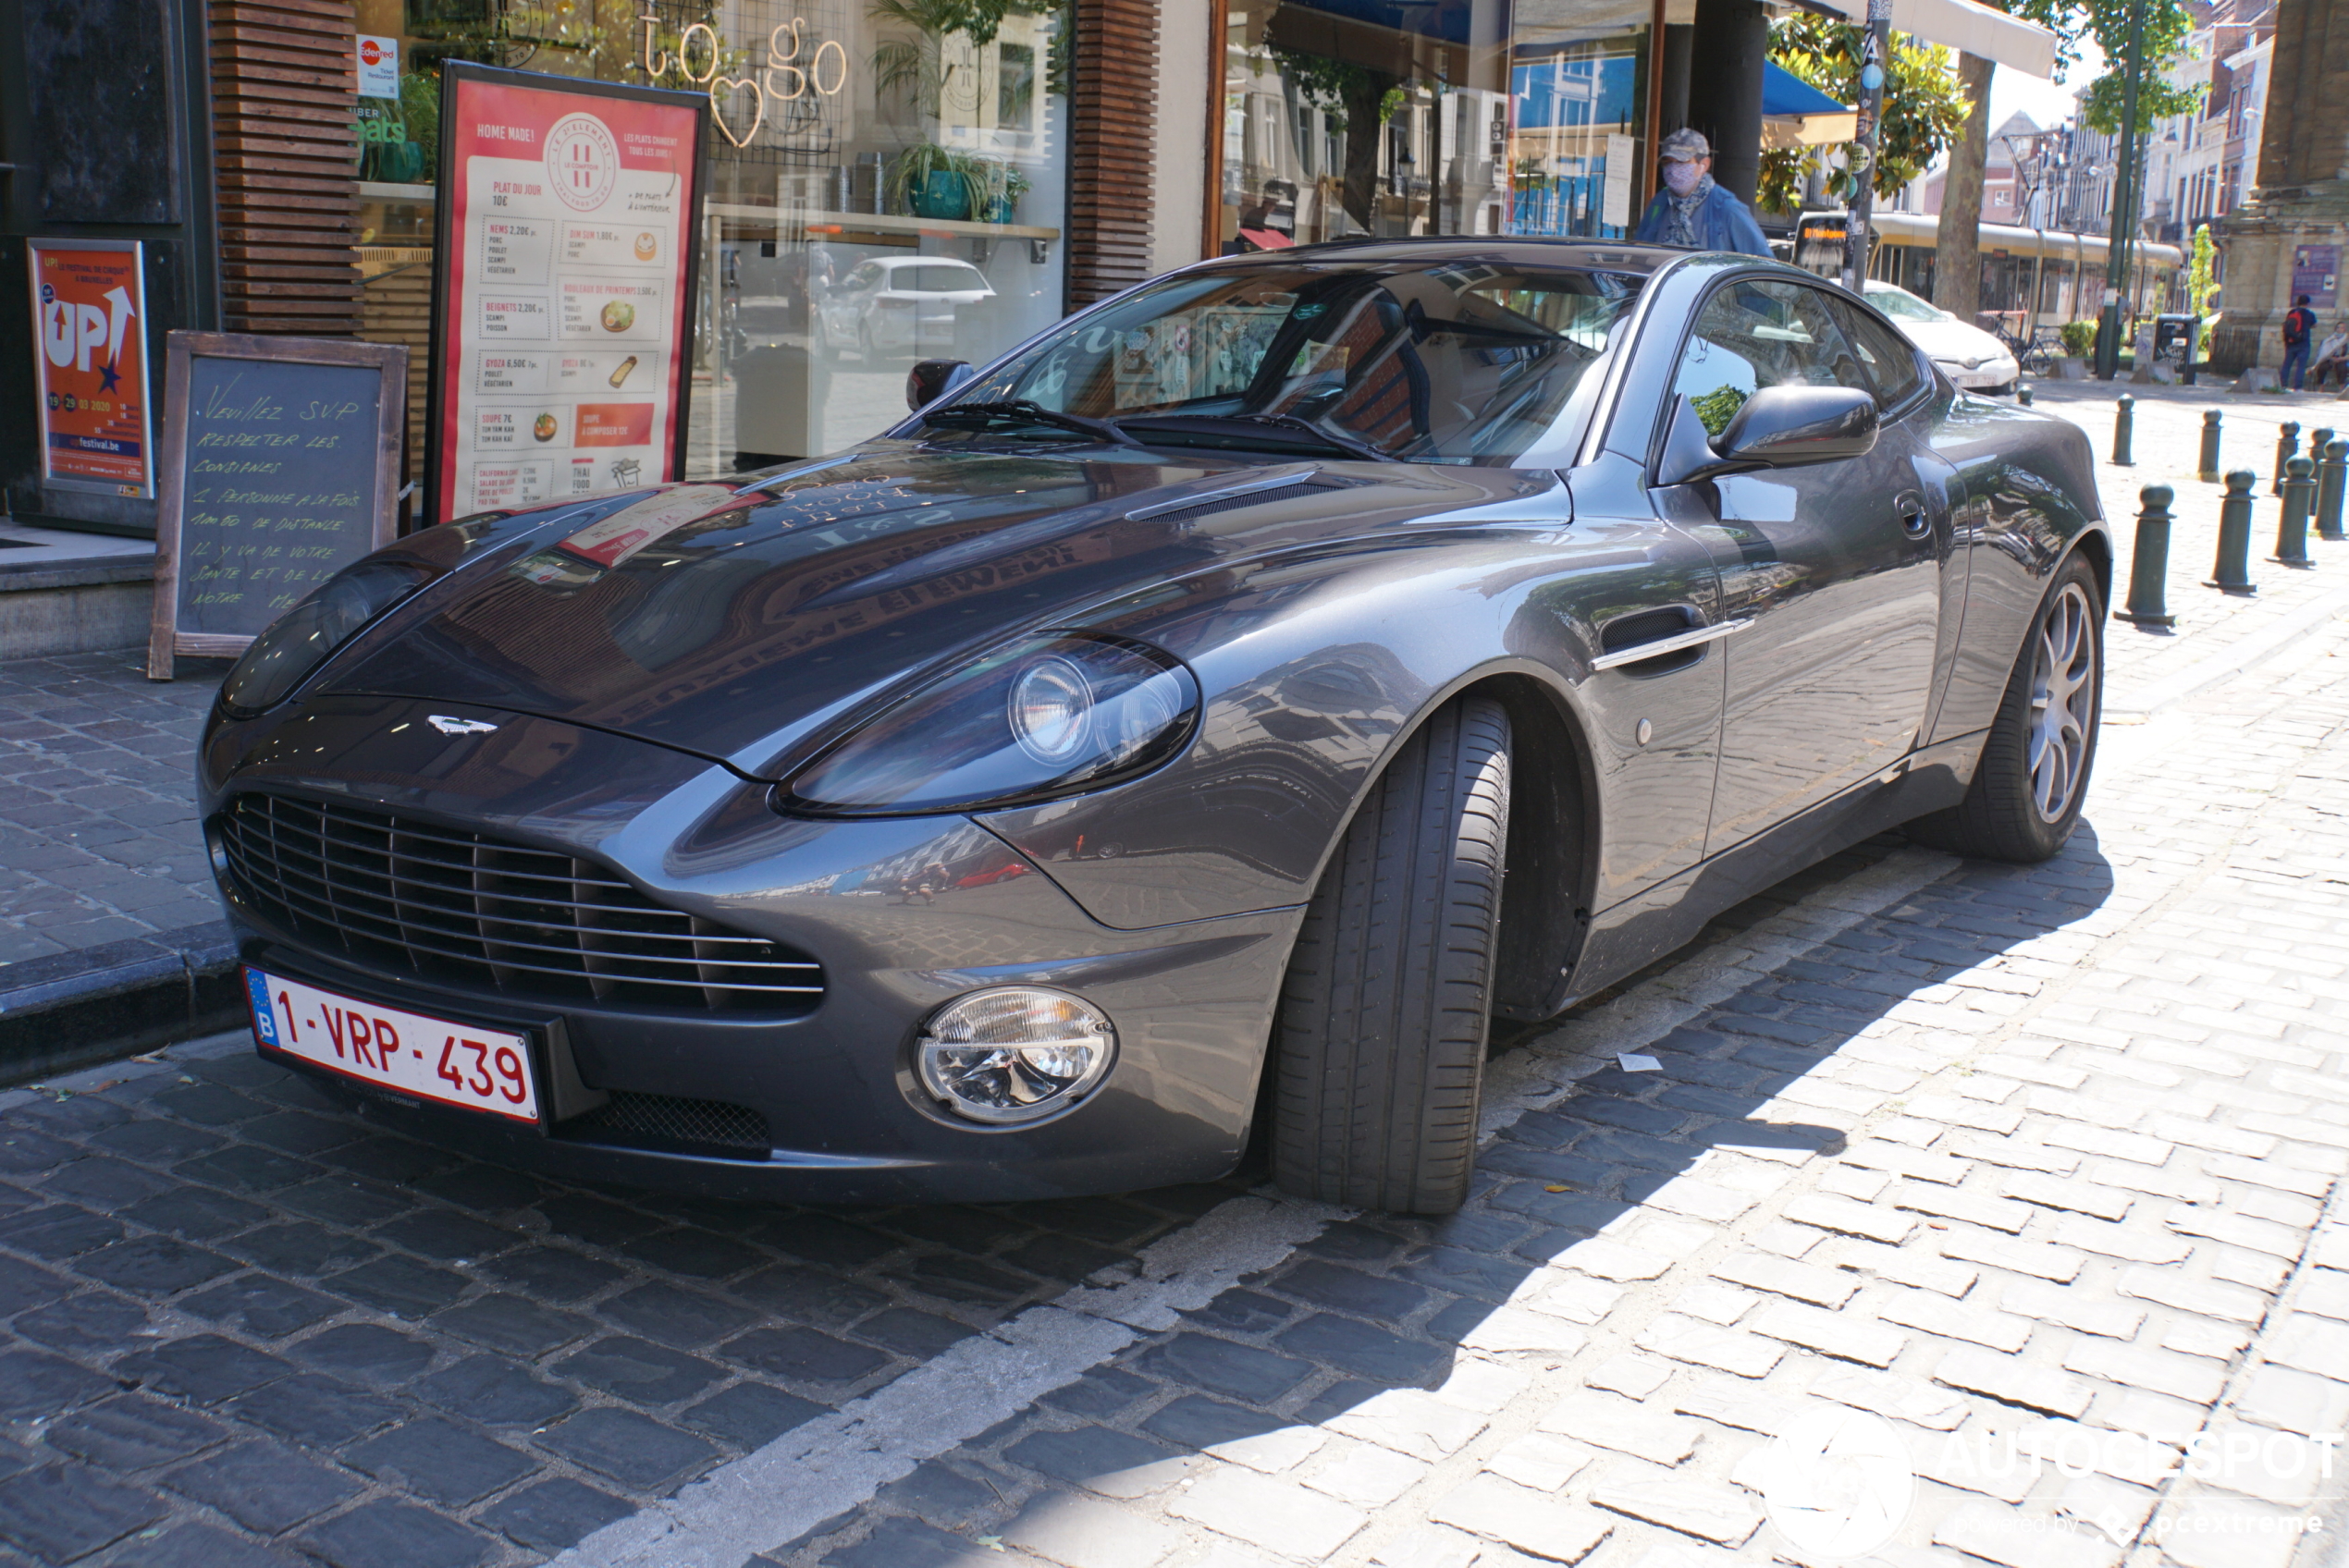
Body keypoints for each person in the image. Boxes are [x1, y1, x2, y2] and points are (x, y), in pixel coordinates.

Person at [1632, 129, 1771, 257]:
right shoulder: (1660, 202)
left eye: (1682, 162)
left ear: (1704, 164)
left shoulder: (1727, 208)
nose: (1673, 170)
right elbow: (1639, 253)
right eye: (1667, 163)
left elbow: (1763, 263)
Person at [2281, 293, 2318, 390]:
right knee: (2301, 366)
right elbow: (2314, 325)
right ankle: (2297, 387)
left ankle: (2283, 385)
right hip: (2303, 343)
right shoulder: (2309, 314)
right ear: (2307, 303)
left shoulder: (2291, 312)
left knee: (2287, 365)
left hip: (2291, 342)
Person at [2312, 321, 2349, 391]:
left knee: (2342, 368)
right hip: (2328, 358)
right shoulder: (2329, 339)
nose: (2340, 329)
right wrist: (2331, 358)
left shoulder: (2346, 339)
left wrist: (2341, 358)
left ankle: (2341, 388)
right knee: (2322, 367)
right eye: (2339, 327)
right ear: (2336, 329)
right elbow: (2323, 352)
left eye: (2343, 328)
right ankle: (2321, 386)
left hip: (2341, 358)